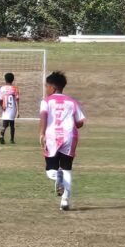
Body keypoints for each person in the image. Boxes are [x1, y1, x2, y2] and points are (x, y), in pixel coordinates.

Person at [39, 71, 86, 211]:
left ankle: (56, 177)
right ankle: (65, 201)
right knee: (67, 169)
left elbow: (43, 116)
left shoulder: (46, 101)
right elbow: (80, 122)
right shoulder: (72, 101)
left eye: (46, 86)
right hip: (69, 136)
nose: (46, 89)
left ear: (52, 88)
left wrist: (41, 133)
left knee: (50, 170)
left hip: (52, 136)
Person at [0, 72, 19, 145]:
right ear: (12, 80)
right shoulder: (14, 88)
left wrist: (2, 107)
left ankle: (2, 136)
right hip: (12, 108)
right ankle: (12, 139)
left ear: (5, 79)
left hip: (5, 107)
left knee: (5, 124)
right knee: (12, 125)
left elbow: (0, 99)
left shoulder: (2, 88)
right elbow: (17, 100)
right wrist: (18, 111)